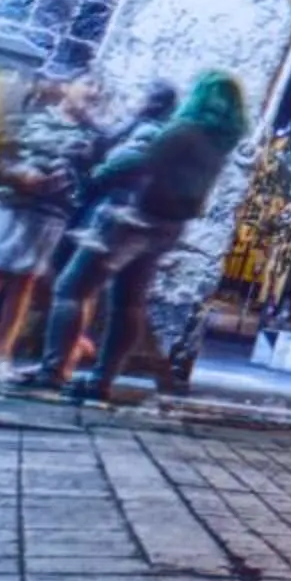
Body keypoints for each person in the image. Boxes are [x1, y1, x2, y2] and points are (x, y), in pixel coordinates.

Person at [46, 73, 248, 400]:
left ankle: (52, 372)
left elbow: (140, 161)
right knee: (128, 303)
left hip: (131, 219)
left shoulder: (183, 132)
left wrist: (95, 175)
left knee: (72, 288)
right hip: (166, 228)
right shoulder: (218, 145)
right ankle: (101, 381)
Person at [0, 77, 97, 369]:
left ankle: (2, 356)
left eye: (99, 89)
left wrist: (65, 182)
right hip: (11, 203)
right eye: (88, 84)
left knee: (24, 281)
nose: (94, 92)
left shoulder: (90, 134)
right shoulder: (29, 120)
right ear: (65, 87)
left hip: (50, 211)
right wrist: (18, 174)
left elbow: (89, 176)